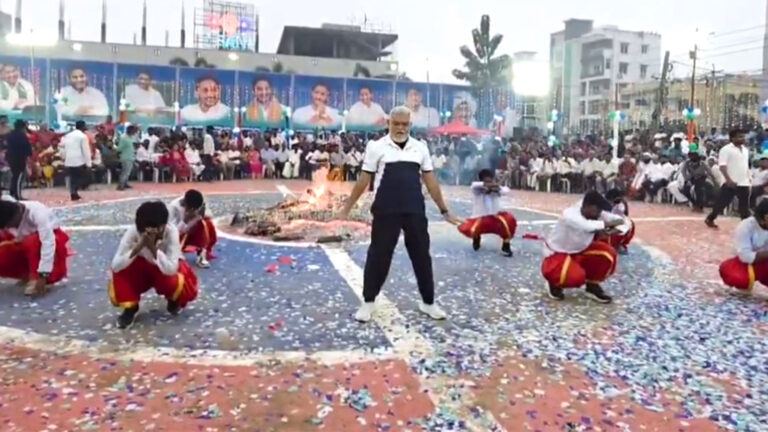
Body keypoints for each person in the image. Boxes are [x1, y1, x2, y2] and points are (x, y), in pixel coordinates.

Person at [338, 105, 462, 322]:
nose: (400, 128)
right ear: (389, 123)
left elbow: (430, 180)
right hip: (386, 209)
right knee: (379, 255)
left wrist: (444, 210)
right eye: (396, 123)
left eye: (405, 124)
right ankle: (368, 302)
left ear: (410, 125)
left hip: (414, 209)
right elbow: (364, 180)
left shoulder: (420, 148)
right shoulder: (376, 147)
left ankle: (428, 302)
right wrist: (346, 208)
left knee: (422, 256)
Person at [109, 201, 199, 329]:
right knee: (120, 272)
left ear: (163, 225)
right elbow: (116, 265)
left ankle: (173, 299)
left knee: (177, 276)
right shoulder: (133, 231)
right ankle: (131, 308)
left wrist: (153, 248)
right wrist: (137, 247)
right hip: (139, 271)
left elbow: (171, 269)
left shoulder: (171, 232)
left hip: (162, 270)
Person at [541, 191, 625, 304]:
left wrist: (614, 228)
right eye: (597, 210)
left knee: (608, 254)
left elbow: (623, 222)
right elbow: (586, 225)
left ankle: (592, 286)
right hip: (558, 253)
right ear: (588, 206)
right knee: (575, 277)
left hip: (580, 250)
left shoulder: (596, 212)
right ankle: (553, 283)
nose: (599, 214)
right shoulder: (570, 214)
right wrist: (610, 224)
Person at [0, 198, 71, 296]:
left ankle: (38, 278)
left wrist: (43, 275)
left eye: (11, 225)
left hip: (50, 246)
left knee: (32, 241)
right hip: (23, 245)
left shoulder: (38, 213)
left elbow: (48, 244)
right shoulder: (6, 205)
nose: (11, 228)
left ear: (17, 216)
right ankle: (26, 274)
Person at [457, 168, 516, 257]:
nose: (489, 183)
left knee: (509, 221)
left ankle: (506, 246)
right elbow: (475, 185)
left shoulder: (497, 189)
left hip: (494, 219)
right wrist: (489, 186)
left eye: (491, 180)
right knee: (473, 228)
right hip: (480, 219)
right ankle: (476, 239)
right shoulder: (477, 188)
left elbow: (506, 191)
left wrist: (496, 188)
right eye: (486, 181)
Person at [719, 199, 768, 292]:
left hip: (765, 264)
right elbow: (745, 256)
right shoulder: (746, 226)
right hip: (743, 263)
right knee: (739, 279)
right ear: (762, 217)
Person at [706, 129, 751, 228]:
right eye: (739, 136)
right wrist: (728, 179)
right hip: (730, 182)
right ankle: (710, 218)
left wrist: (749, 178)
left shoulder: (745, 150)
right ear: (732, 138)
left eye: (743, 136)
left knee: (744, 206)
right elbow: (722, 166)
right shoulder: (726, 149)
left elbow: (746, 166)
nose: (742, 138)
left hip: (744, 181)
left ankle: (746, 226)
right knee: (721, 203)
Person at [168, 189, 216, 268]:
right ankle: (175, 253)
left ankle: (201, 255)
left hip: (192, 230)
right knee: (173, 234)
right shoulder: (174, 207)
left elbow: (209, 215)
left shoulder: (199, 204)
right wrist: (185, 220)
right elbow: (171, 231)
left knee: (206, 223)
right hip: (179, 234)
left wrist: (201, 215)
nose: (193, 210)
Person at [60, 120, 92, 201]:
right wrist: (89, 164)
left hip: (69, 160)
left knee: (73, 177)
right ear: (82, 127)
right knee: (81, 177)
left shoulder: (68, 135)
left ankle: (73, 192)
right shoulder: (83, 136)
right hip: (79, 160)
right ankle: (74, 191)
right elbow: (86, 150)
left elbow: (62, 147)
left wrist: (64, 157)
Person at [6, 119, 32, 200]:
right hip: (19, 158)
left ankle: (12, 193)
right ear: (22, 127)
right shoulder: (21, 135)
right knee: (19, 177)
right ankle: (17, 195)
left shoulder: (10, 134)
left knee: (14, 176)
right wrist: (28, 155)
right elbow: (26, 148)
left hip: (11, 157)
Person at [604, 188, 634, 255]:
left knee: (605, 233)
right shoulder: (616, 205)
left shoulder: (619, 207)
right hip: (623, 225)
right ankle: (618, 244)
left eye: (609, 200)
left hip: (623, 227)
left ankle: (618, 245)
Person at [116, 125, 138, 190]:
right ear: (130, 130)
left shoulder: (130, 137)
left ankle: (125, 183)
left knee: (128, 172)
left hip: (130, 156)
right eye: (134, 131)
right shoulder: (123, 137)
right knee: (125, 172)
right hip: (125, 157)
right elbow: (119, 148)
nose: (134, 132)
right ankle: (120, 185)